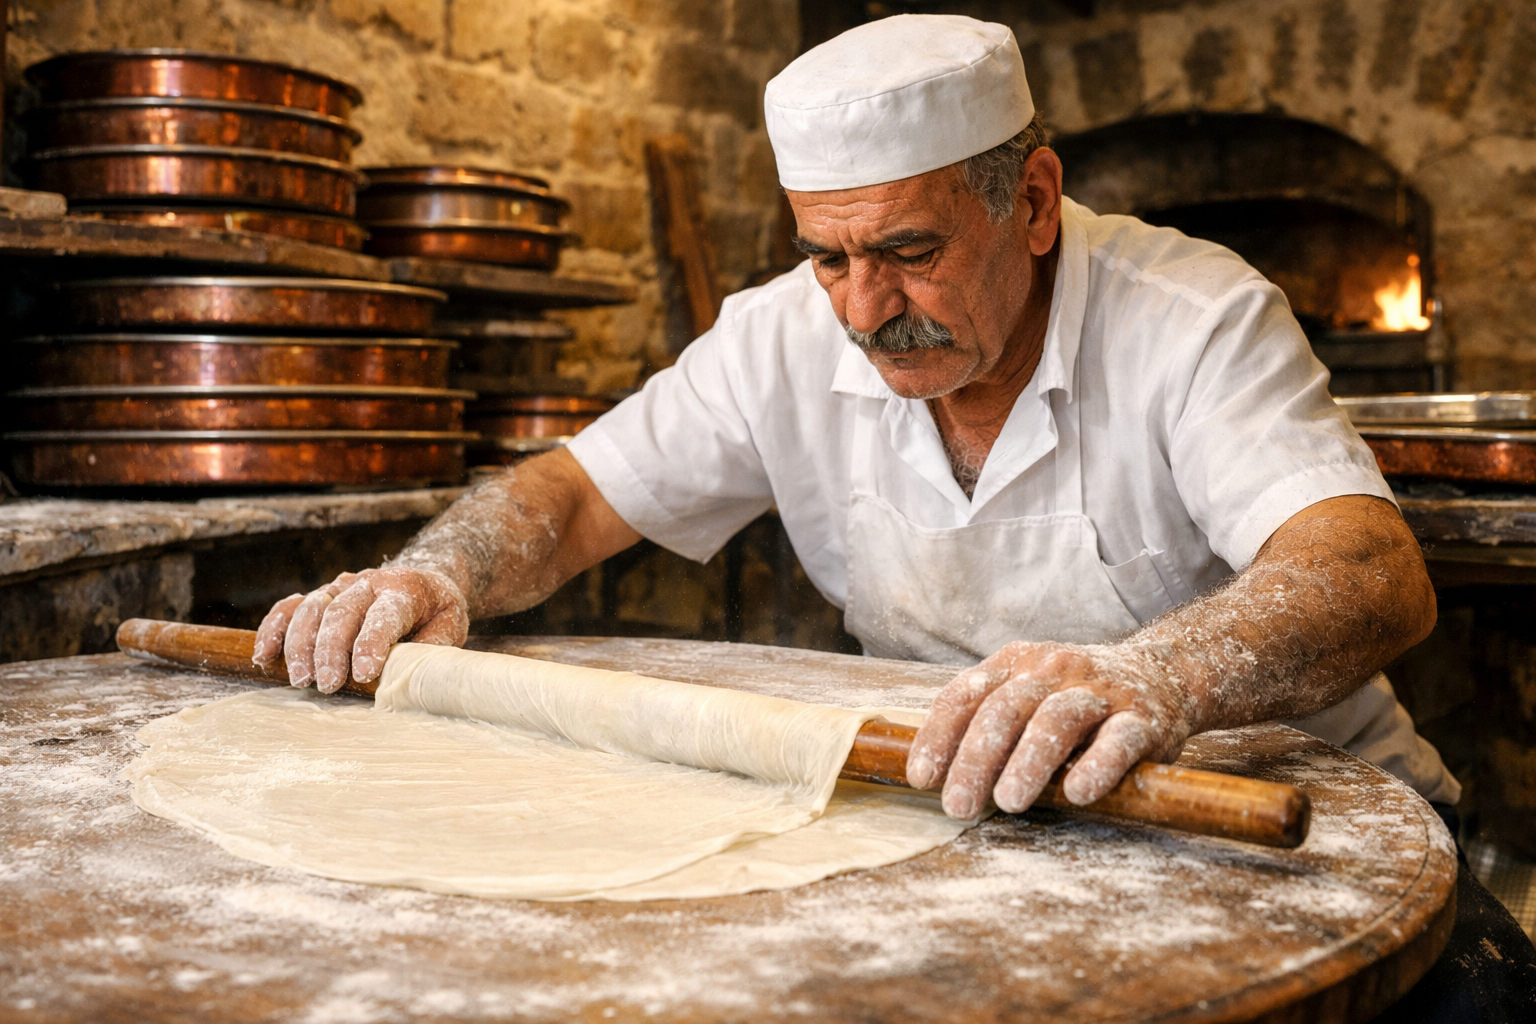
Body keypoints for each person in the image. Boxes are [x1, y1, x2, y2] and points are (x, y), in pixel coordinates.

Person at [255, 14, 1534, 1017]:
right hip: (987, 840)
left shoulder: (1191, 319)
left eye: (912, 252)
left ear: (1031, 203)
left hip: (1312, 844)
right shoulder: (780, 337)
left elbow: (1368, 570)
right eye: (828, 256)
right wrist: (439, 575)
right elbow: (577, 492)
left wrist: (1157, 674)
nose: (866, 308)